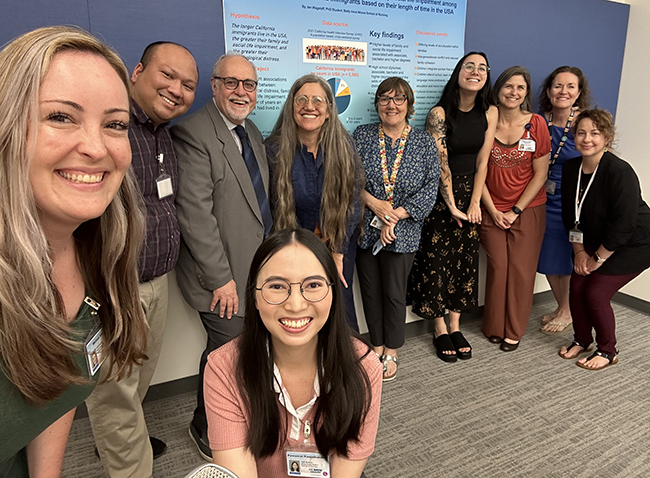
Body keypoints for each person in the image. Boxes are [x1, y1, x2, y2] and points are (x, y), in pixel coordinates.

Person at [0, 26, 147, 476]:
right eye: (61, 117)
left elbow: (57, 391)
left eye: (115, 124)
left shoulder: (99, 259)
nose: (95, 146)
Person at [85, 42, 198, 476]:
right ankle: (129, 463)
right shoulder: (110, 126)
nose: (176, 90)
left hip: (156, 281)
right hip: (114, 286)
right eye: (167, 76)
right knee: (114, 390)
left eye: (188, 85)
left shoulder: (160, 132)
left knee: (139, 375)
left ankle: (120, 439)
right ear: (136, 71)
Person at [204, 228, 382, 477]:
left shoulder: (364, 365)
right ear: (254, 297)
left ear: (332, 293)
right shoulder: (223, 368)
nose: (296, 305)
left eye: (313, 285)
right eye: (276, 286)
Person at [171, 52, 272, 461]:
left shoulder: (252, 133)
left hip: (255, 270)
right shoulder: (193, 134)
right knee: (226, 353)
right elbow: (194, 214)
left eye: (248, 84)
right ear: (214, 86)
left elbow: (257, 204)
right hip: (221, 277)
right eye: (231, 82)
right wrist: (220, 279)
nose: (240, 92)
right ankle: (205, 426)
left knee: (245, 351)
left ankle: (238, 416)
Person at [408, 51, 498, 362]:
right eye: (469, 66)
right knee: (436, 261)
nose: (475, 71)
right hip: (439, 194)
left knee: (464, 260)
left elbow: (483, 160)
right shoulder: (439, 113)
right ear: (458, 73)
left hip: (472, 193)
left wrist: (474, 203)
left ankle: (456, 324)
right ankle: (438, 327)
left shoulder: (490, 113)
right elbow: (441, 162)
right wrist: (452, 205)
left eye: (482, 68)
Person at [354, 77, 440, 381]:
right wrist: (376, 206)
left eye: (399, 99)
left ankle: (392, 349)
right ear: (377, 104)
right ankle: (375, 346)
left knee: (393, 293)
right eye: (385, 99)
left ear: (409, 105)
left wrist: (396, 215)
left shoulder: (423, 142)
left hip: (403, 230)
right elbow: (350, 180)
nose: (391, 105)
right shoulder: (362, 136)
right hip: (368, 226)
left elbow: (432, 186)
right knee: (370, 292)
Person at [265, 74, 363, 330]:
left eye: (318, 100)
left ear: (329, 110)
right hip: (293, 247)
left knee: (339, 307)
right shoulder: (273, 150)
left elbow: (353, 202)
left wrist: (338, 252)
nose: (310, 106)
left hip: (337, 244)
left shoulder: (345, 146)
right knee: (299, 311)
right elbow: (271, 208)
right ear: (291, 106)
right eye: (302, 100)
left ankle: (345, 367)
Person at [558, 109, 650, 369]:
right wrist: (579, 253)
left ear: (607, 138)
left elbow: (623, 225)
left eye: (595, 133)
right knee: (576, 287)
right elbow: (570, 215)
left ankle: (608, 350)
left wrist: (597, 258)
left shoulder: (619, 172)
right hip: (594, 243)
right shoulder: (571, 168)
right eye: (581, 133)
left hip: (635, 243)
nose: (587, 139)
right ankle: (582, 339)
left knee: (596, 293)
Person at [480, 66, 551, 352]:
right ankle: (494, 326)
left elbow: (541, 174)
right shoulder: (486, 120)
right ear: (498, 89)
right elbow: (479, 171)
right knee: (498, 267)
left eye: (520, 88)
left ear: (526, 93)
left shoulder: (536, 124)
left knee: (522, 270)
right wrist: (493, 210)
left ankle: (514, 329)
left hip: (528, 208)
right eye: (508, 86)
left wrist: (516, 211)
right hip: (490, 209)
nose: (513, 92)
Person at [536, 66, 593, 335]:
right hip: (541, 197)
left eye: (571, 86)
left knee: (569, 258)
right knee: (549, 256)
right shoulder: (538, 121)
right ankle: (563, 307)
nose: (564, 91)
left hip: (573, 201)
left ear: (579, 92)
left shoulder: (585, 123)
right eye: (558, 86)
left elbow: (597, 160)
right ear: (548, 91)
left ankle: (567, 310)